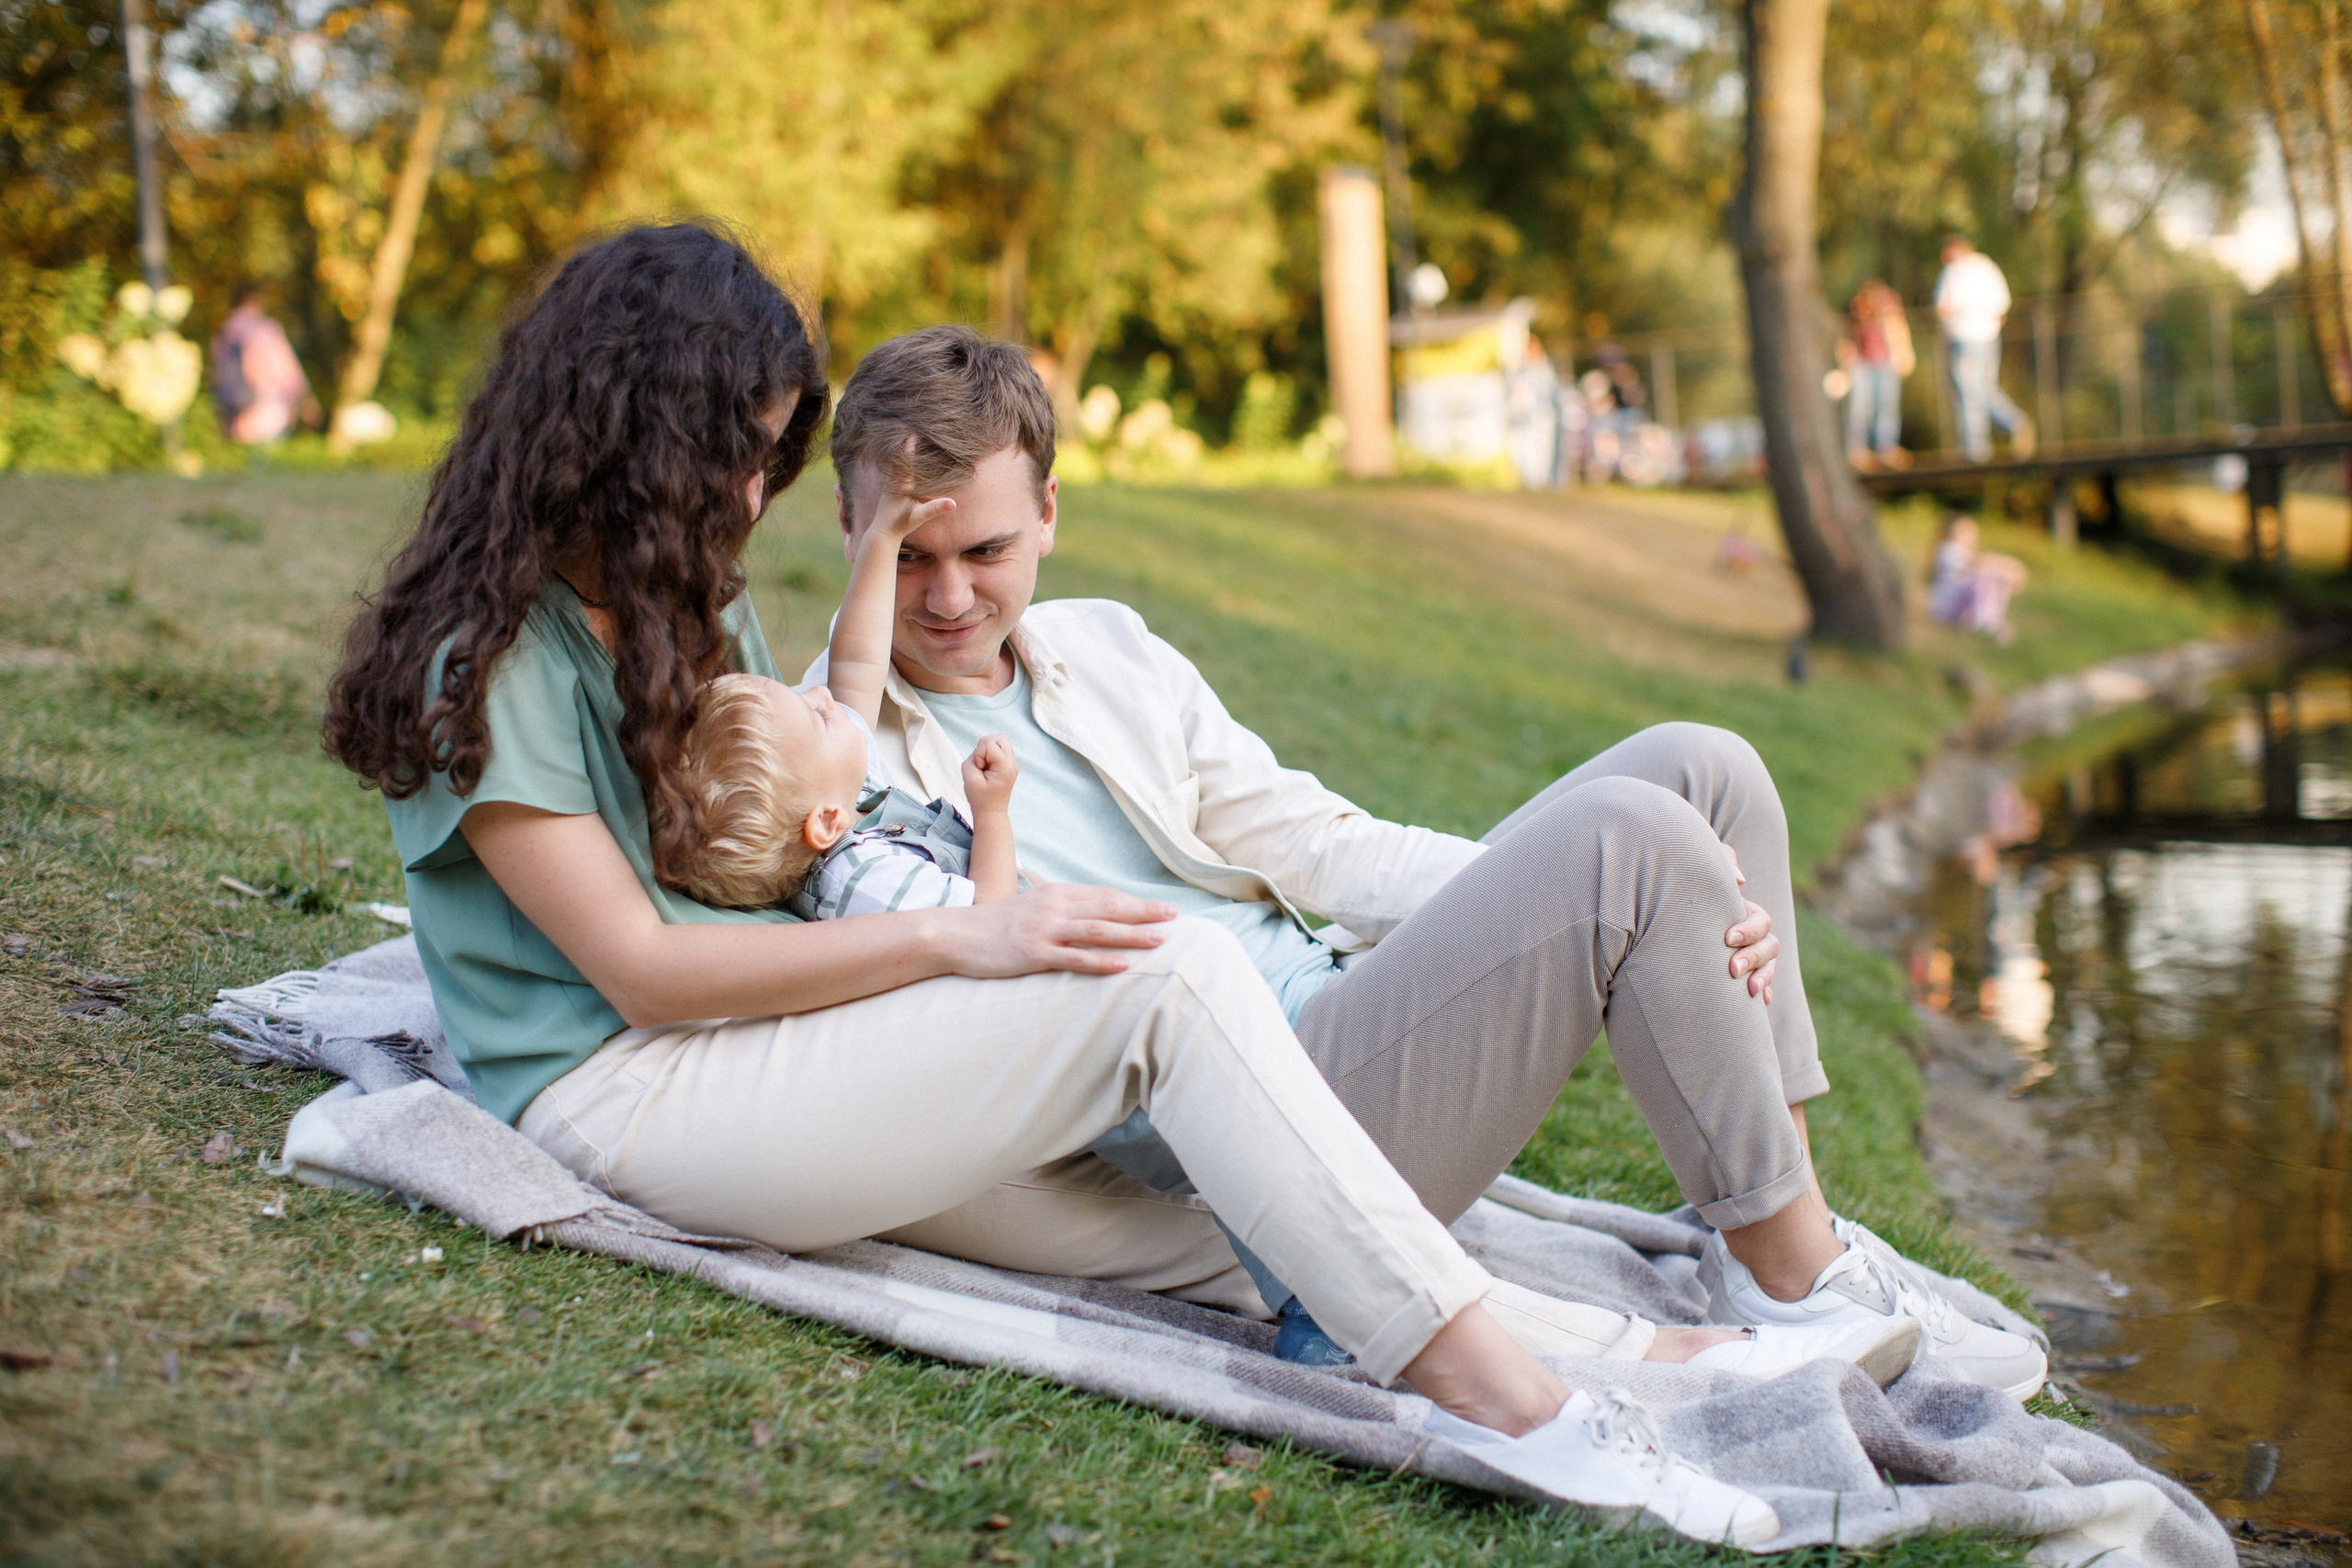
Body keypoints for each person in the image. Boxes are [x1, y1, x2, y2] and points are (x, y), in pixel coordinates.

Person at [312, 225, 1996, 1542]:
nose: (751, 492)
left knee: (1667, 791)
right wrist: (963, 923)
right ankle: (1517, 1399)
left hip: (788, 1036)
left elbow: (1280, 829)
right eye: (739, 455)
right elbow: (650, 975)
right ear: (635, 440)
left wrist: (1624, 906)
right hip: (631, 1084)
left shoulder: (699, 610)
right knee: (1168, 968)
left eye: (771, 456)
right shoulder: (495, 655)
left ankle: (1663, 1301)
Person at [808, 323, 2046, 1402]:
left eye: (989, 551)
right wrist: (1615, 879)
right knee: (1637, 844)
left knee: (1700, 771)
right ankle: (1800, 1283)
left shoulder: (1105, 649)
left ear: (1053, 518)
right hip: (1248, 1126)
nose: (954, 596)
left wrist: (1594, 889)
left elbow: (1315, 840)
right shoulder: (827, 753)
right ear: (851, 528)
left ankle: (1775, 1238)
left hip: (1348, 1017)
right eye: (909, 556)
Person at [665, 485, 1021, 918]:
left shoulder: (834, 790)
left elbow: (857, 661)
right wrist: (992, 812)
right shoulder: (867, 883)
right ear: (826, 822)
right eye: (817, 717)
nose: (820, 693)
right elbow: (993, 918)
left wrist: (883, 540)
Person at [1933, 237, 2033, 464]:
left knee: (1968, 391)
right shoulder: (1989, 269)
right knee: (1984, 387)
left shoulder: (1953, 271)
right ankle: (2013, 423)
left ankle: (1977, 448)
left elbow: (1942, 308)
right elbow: (2003, 306)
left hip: (1962, 338)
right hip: (1989, 337)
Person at [209, 285, 311, 444]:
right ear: (255, 300)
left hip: (233, 415)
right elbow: (286, 369)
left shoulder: (224, 331)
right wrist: (305, 401)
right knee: (270, 464)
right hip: (269, 410)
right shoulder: (265, 329)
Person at [1843, 280, 1914, 470]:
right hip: (1862, 364)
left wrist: (1904, 355)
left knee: (1886, 406)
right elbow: (1849, 340)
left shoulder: (1888, 310)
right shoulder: (1857, 315)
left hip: (1885, 362)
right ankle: (1858, 450)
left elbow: (1899, 332)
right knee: (1860, 409)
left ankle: (1886, 448)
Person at [1927, 513, 2029, 642]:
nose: (1967, 534)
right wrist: (2013, 565)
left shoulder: (1960, 552)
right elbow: (1976, 563)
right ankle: (1988, 622)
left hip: (1955, 607)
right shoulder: (1947, 550)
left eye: (1969, 531)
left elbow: (1976, 564)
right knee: (1986, 578)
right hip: (1945, 608)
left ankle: (1990, 621)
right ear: (1951, 531)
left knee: (1995, 577)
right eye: (1962, 530)